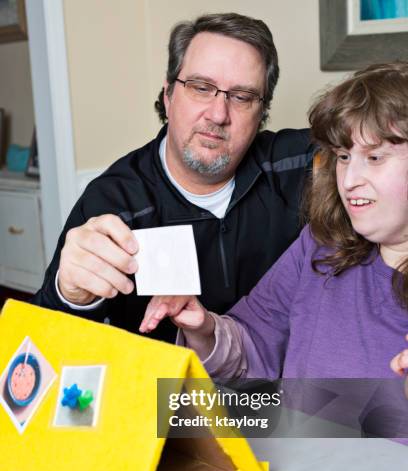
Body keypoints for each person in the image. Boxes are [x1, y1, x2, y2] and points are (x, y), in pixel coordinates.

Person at [32, 13, 313, 343]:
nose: (218, 114)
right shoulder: (114, 202)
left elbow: (377, 132)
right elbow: (45, 346)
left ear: (261, 112)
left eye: (241, 96)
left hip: (279, 389)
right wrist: (69, 295)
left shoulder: (298, 165)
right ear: (168, 97)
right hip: (164, 390)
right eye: (200, 87)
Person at [140, 62, 408, 381]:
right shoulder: (319, 245)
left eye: (375, 158)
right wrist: (205, 330)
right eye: (343, 157)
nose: (349, 180)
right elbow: (253, 342)